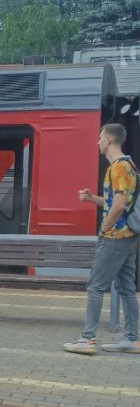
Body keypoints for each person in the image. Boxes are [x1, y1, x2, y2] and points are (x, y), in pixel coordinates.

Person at [64, 123, 140, 354]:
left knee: (95, 286)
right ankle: (133, 338)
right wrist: (92, 199)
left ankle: (87, 339)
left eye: (99, 138)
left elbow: (117, 207)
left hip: (115, 237)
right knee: (127, 288)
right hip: (130, 236)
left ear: (108, 139)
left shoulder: (116, 168)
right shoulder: (130, 165)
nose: (97, 142)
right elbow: (120, 204)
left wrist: (103, 229)